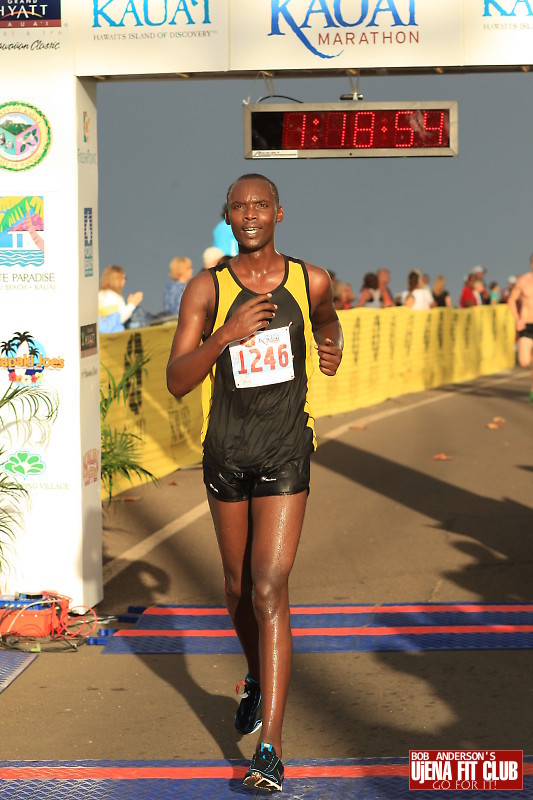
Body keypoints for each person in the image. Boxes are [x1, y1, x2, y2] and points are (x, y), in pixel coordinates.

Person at [166, 173, 343, 792]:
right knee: (238, 587)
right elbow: (178, 380)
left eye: (260, 205)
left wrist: (331, 342)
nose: (249, 215)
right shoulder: (206, 289)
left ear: (279, 213)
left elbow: (327, 320)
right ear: (228, 217)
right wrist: (225, 335)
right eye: (238, 207)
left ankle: (268, 744)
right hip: (226, 451)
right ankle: (256, 674)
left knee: (271, 585)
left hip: (286, 449)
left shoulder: (309, 278)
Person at [507, 254, 533, 402]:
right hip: (527, 324)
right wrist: (517, 319)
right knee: (524, 361)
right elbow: (511, 300)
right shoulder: (523, 281)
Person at [98, 264, 143, 333]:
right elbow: (120, 318)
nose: (124, 281)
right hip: (114, 337)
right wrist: (132, 304)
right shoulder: (115, 297)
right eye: (123, 278)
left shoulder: (99, 295)